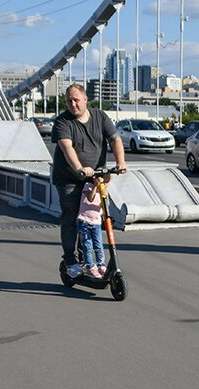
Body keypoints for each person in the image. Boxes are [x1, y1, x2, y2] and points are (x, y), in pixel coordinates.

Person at [51, 83, 128, 278]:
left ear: (85, 99)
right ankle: (70, 261)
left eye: (76, 100)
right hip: (69, 179)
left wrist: (120, 162)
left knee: (91, 221)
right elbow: (67, 147)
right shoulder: (62, 122)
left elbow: (115, 139)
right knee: (71, 218)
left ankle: (90, 260)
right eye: (69, 101)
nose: (73, 104)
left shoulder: (100, 116)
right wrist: (79, 168)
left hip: (95, 179)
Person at [76, 176, 109, 278]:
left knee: (98, 245)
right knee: (87, 246)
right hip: (84, 221)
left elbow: (105, 205)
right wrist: (95, 185)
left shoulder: (104, 189)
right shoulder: (88, 186)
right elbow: (90, 198)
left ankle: (101, 265)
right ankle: (90, 266)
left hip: (96, 223)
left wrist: (104, 193)